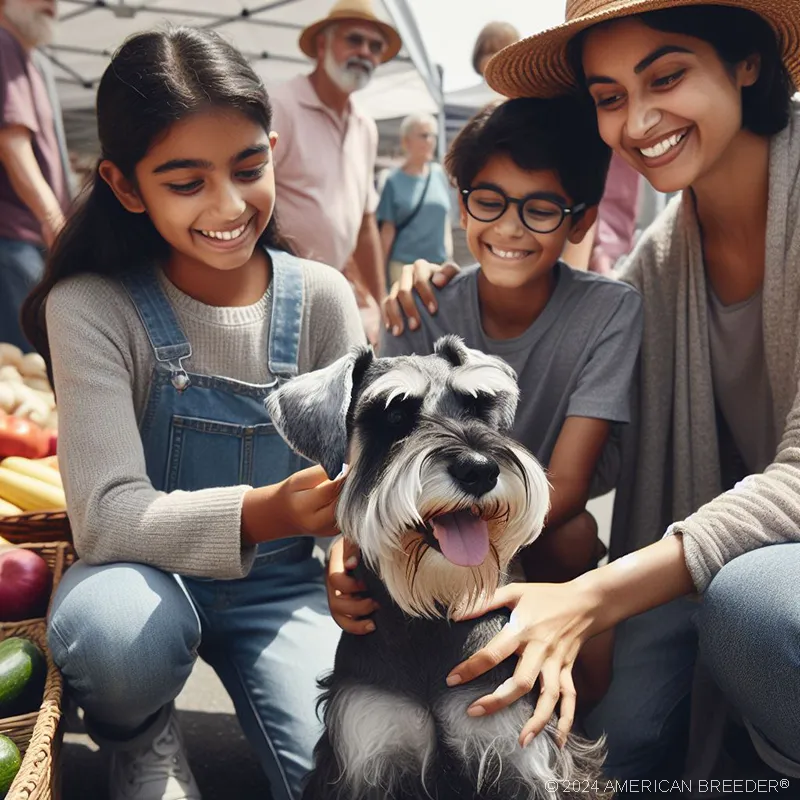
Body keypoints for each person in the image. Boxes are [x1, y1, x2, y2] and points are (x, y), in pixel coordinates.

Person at [380, 0, 800, 783]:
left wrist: (592, 597)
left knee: (752, 608)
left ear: (747, 62)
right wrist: (448, 297)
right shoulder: (655, 267)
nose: (638, 121)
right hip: (722, 545)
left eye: (666, 76)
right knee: (619, 738)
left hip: (759, 570)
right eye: (609, 97)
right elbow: (603, 450)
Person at [22, 28, 365, 800]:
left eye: (249, 168)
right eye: (187, 182)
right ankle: (139, 739)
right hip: (137, 578)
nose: (229, 205)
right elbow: (106, 518)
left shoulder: (322, 298)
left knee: (345, 774)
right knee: (115, 637)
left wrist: (351, 552)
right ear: (125, 183)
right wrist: (266, 510)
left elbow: (361, 470)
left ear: (275, 149)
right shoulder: (92, 307)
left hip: (280, 592)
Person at [329, 95, 642, 707]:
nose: (509, 228)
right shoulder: (421, 306)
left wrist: (484, 540)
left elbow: (570, 483)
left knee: (575, 539)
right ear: (462, 202)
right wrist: (349, 544)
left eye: (542, 209)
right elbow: (376, 453)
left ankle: (569, 710)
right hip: (425, 519)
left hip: (535, 524)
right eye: (489, 201)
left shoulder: (610, 311)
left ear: (581, 222)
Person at [269, 0, 402, 336]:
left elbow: (364, 224)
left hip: (330, 295)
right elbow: (247, 203)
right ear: (322, 44)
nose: (365, 53)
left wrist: (380, 299)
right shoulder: (281, 107)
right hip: (275, 293)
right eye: (354, 40)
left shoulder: (365, 126)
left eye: (375, 47)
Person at [0, 0, 70, 351]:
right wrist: (53, 220)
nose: (53, 3)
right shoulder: (2, 42)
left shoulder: (27, 57)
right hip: (13, 239)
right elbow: (11, 143)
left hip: (23, 239)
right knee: (31, 365)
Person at [377, 113, 452, 288]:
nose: (430, 141)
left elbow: (445, 221)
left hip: (438, 268)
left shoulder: (439, 174)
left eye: (433, 135)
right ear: (406, 141)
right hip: (404, 268)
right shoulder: (392, 181)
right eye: (424, 135)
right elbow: (387, 232)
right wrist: (379, 278)